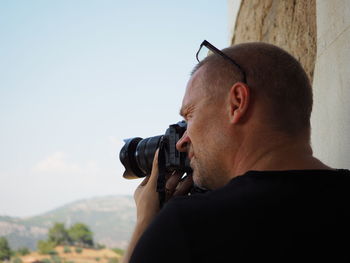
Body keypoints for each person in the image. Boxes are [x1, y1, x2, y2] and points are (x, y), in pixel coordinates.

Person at [122, 41, 350, 263]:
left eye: (189, 116)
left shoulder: (190, 227)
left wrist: (146, 222)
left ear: (237, 103)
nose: (182, 141)